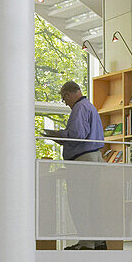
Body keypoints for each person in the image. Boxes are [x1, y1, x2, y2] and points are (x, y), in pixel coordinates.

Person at [45, 81, 106, 249]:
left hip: (82, 159)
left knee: (79, 201)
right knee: (92, 201)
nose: (66, 103)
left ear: (69, 94)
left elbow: (77, 134)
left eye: (64, 99)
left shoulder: (79, 108)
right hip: (95, 158)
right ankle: (98, 241)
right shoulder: (91, 107)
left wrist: (58, 135)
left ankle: (86, 242)